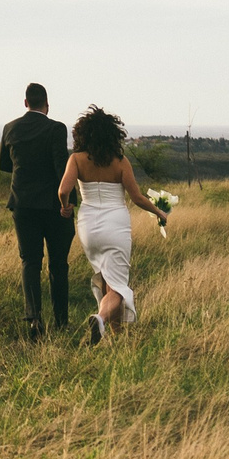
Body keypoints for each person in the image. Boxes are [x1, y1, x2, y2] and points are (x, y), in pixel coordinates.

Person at [57, 104, 167, 344]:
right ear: (112, 133)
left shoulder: (76, 159)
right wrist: (159, 212)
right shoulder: (120, 161)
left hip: (88, 227)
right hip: (115, 225)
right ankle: (100, 319)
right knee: (118, 285)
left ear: (82, 134)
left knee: (108, 280)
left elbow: (63, 189)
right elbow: (137, 197)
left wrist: (65, 206)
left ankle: (115, 336)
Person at [0, 82, 72, 341]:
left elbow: (4, 165)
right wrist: (67, 203)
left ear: (25, 103)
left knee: (30, 261)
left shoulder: (10, 128)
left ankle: (34, 320)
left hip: (22, 204)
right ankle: (61, 322)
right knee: (58, 265)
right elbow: (61, 167)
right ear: (47, 104)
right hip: (54, 207)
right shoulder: (56, 128)